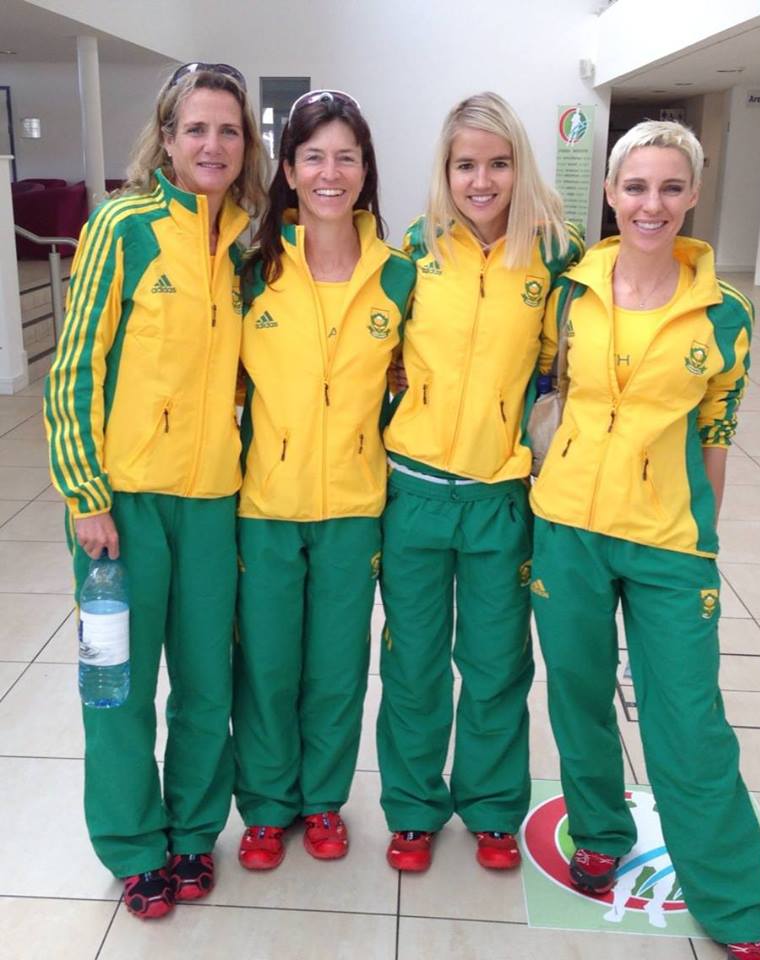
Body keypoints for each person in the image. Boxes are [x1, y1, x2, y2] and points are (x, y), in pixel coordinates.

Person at [529, 120, 760, 960]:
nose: (651, 204)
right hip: (567, 528)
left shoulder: (725, 312)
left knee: (687, 720)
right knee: (577, 697)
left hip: (668, 542)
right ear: (609, 193)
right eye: (635, 187)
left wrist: (701, 535)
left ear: (692, 194)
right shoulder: (570, 292)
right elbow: (542, 388)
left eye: (670, 187)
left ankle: (733, 903)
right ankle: (599, 832)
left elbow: (716, 431)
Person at [44, 62, 267, 919]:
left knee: (207, 686)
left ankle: (191, 834)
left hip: (213, 504)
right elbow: (76, 365)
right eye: (196, 128)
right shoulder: (123, 225)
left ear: (245, 145)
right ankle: (135, 845)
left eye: (228, 130)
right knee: (122, 690)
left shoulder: (249, 241)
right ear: (167, 138)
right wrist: (84, 492)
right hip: (123, 506)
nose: (213, 145)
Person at [377, 92, 583, 873]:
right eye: (465, 165)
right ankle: (412, 808)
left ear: (519, 166)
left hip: (502, 492)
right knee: (413, 663)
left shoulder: (554, 252)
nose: (482, 181)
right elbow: (381, 349)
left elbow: (560, 366)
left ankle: (492, 808)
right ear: (444, 170)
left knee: (496, 664)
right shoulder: (413, 247)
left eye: (498, 163)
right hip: (414, 489)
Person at [233, 90, 415, 871]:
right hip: (265, 506)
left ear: (366, 169)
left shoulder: (400, 278)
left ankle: (321, 803)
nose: (329, 173)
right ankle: (266, 806)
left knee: (337, 670)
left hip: (355, 506)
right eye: (313, 157)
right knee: (267, 668)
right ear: (288, 169)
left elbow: (414, 379)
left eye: (346, 157)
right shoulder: (251, 271)